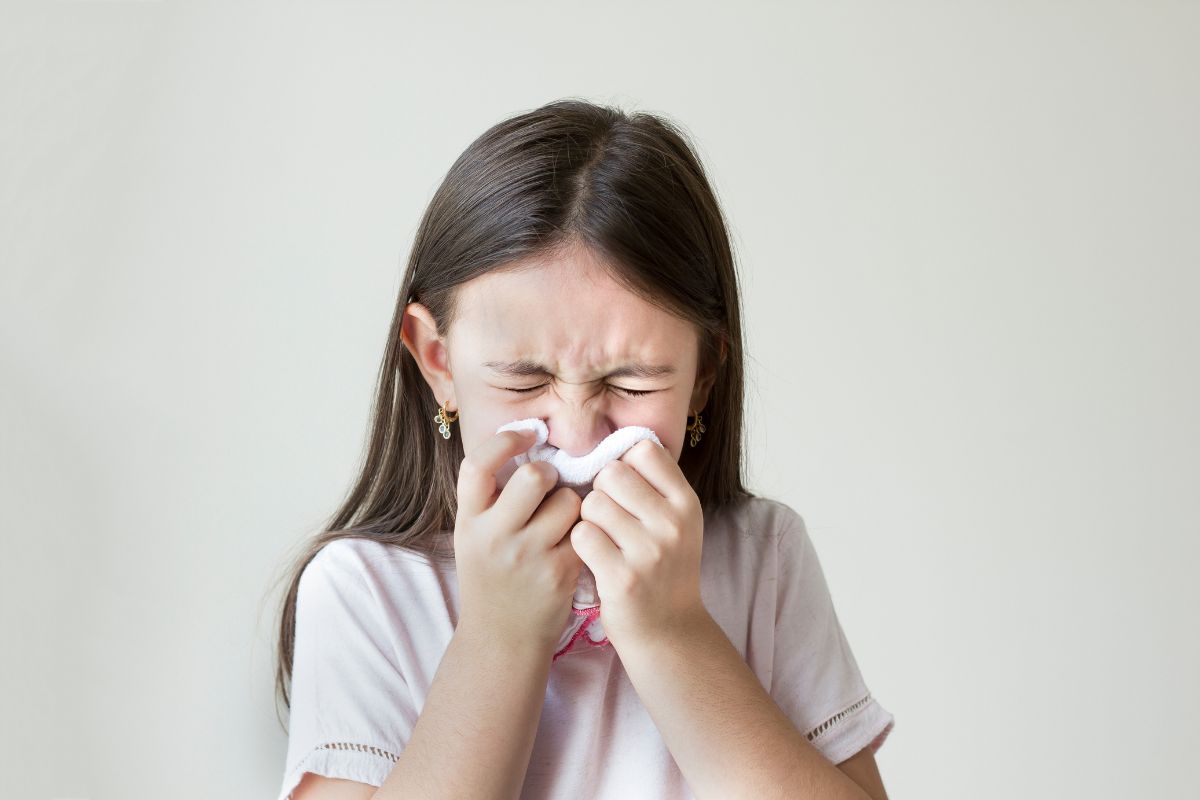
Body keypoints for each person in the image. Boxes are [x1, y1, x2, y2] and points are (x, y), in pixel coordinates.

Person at [270, 98, 895, 800]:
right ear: (439, 363)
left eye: (630, 383)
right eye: (525, 378)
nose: (573, 433)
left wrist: (672, 632)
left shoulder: (764, 559)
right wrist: (498, 642)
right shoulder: (364, 591)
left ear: (702, 378)